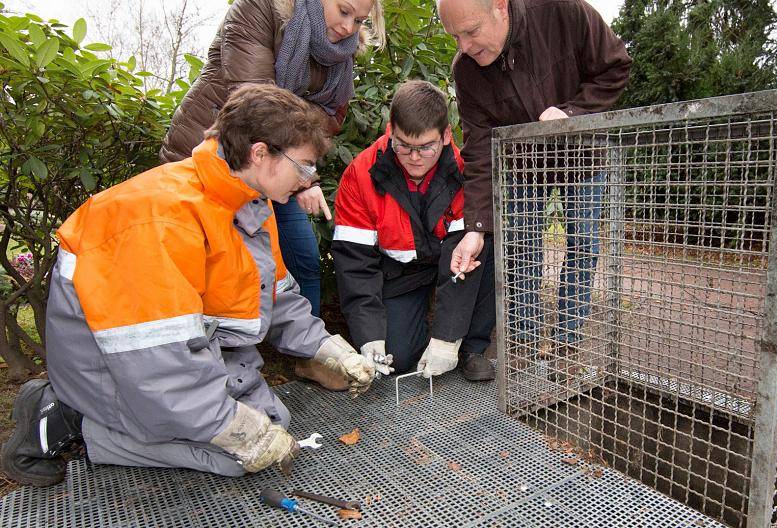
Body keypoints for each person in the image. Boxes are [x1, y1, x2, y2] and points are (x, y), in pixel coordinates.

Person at [0, 85, 376, 487]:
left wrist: (330, 351)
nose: (309, 179)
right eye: (303, 165)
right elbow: (159, 367)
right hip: (112, 366)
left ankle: (122, 424)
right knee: (237, 454)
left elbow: (274, 294)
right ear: (260, 154)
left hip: (172, 355)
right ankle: (65, 416)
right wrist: (239, 432)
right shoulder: (157, 221)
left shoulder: (248, 198)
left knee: (271, 424)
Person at [160, 0, 385, 389]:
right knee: (210, 271)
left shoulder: (338, 54)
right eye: (344, 11)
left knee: (296, 259)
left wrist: (301, 174)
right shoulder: (259, 9)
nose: (349, 27)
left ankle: (310, 354)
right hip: (218, 160)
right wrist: (301, 174)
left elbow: (326, 121)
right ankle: (207, 374)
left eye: (360, 20)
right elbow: (255, 105)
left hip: (276, 165)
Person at [438, 0, 631, 363]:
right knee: (521, 249)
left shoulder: (563, 10)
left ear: (500, 7)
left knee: (583, 246)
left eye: (470, 31)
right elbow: (479, 150)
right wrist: (476, 227)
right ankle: (523, 344)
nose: (463, 47)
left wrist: (572, 112)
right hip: (524, 166)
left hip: (584, 156)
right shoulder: (467, 71)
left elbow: (615, 66)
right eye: (455, 36)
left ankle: (566, 346)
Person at [331, 80, 496, 381]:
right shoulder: (360, 175)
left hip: (454, 264)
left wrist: (447, 338)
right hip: (402, 272)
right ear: (391, 130)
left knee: (486, 245)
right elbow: (354, 263)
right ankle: (419, 336)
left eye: (425, 148)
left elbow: (462, 258)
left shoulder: (465, 171)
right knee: (398, 357)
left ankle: (471, 346)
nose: (415, 158)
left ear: (446, 136)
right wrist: (369, 337)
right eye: (404, 146)